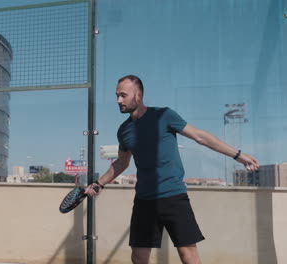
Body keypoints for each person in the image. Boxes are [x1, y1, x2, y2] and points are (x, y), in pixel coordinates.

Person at [85, 75, 259, 264]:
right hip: (144, 200)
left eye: (123, 95)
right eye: (117, 95)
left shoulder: (164, 115)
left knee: (188, 256)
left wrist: (238, 155)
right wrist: (98, 183)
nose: (118, 100)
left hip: (173, 197)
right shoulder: (124, 130)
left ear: (138, 95)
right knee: (138, 257)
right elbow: (121, 163)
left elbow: (200, 136)